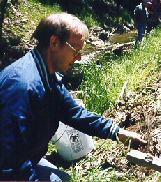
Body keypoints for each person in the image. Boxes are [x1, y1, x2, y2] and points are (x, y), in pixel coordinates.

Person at [0, 13, 147, 181]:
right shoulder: (22, 86)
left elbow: (75, 113)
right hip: (8, 167)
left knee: (64, 178)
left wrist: (116, 132)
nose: (79, 57)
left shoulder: (48, 76)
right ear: (54, 42)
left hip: (25, 157)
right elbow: (10, 163)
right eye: (76, 50)